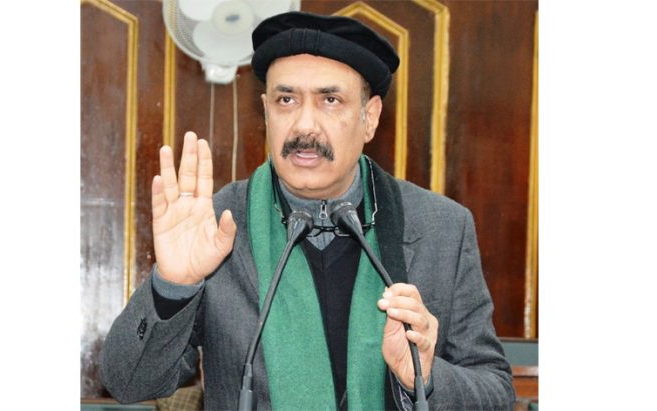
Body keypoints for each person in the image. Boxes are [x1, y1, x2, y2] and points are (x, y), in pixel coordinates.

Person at [99, 11, 515, 410]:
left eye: (330, 100)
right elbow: (128, 384)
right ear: (266, 111)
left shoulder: (442, 227)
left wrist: (424, 377)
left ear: (370, 118)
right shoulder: (217, 223)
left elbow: (495, 391)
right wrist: (173, 286)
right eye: (286, 100)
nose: (304, 126)